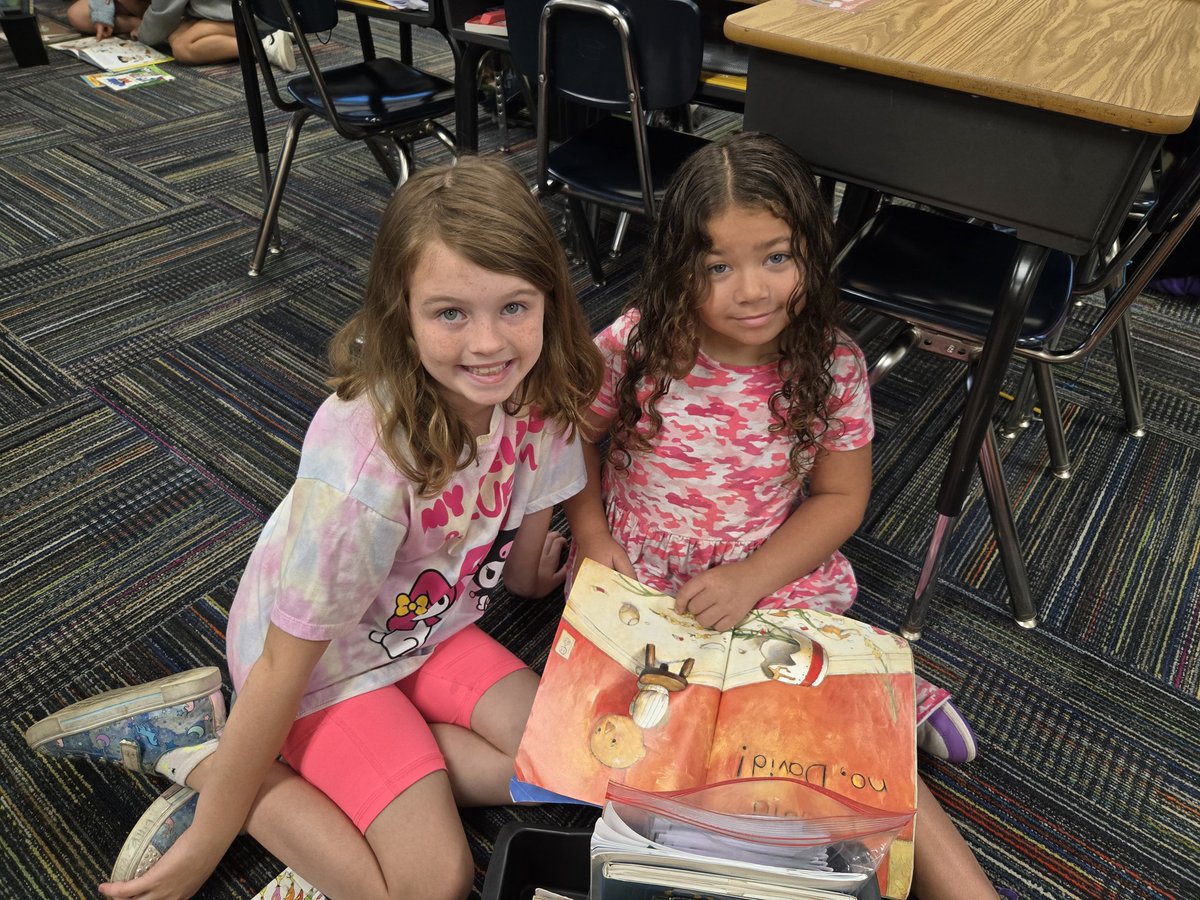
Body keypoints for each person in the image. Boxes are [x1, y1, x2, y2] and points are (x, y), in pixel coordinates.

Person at [25, 155, 604, 900]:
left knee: (582, 763)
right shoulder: (365, 469)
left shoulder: (542, 397)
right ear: (401, 311)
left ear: (549, 300)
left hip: (426, 625)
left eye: (513, 308)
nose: (489, 345)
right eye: (451, 312)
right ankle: (213, 762)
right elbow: (281, 668)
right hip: (317, 667)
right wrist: (207, 844)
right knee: (434, 883)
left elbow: (521, 552)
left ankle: (372, 771)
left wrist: (535, 570)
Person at [564, 131, 1007, 898]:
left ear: (811, 249)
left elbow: (842, 497)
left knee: (804, 712)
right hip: (644, 580)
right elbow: (572, 436)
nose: (753, 290)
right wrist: (591, 536)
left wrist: (751, 578)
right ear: (678, 267)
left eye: (777, 257)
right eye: (718, 266)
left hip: (767, 578)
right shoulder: (639, 343)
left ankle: (897, 731)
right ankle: (879, 708)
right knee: (654, 733)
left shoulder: (831, 364)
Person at [66, 0, 295, 70]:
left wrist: (144, 34)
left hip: (247, 13)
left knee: (184, 47)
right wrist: (103, 12)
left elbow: (164, 12)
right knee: (80, 13)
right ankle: (169, 30)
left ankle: (265, 45)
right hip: (194, 10)